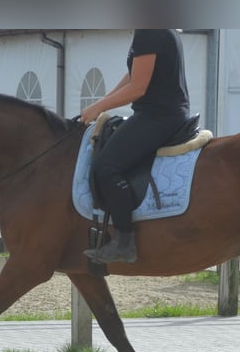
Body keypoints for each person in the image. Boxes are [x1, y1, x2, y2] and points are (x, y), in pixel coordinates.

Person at [81, 29, 191, 264]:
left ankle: (124, 241)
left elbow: (137, 88)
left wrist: (98, 108)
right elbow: (133, 76)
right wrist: (101, 103)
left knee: (105, 166)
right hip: (165, 113)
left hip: (158, 116)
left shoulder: (148, 31)